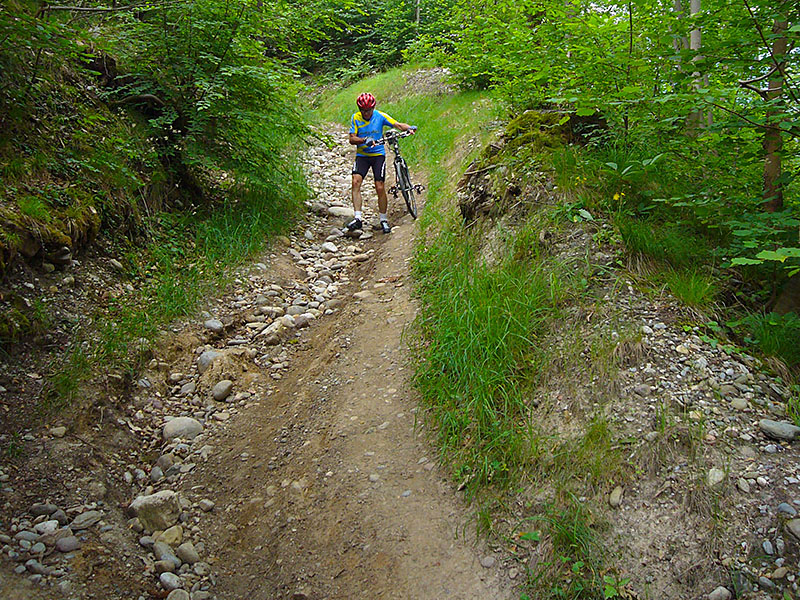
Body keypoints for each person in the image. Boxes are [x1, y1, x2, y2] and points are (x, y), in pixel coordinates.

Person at [346, 92, 416, 234]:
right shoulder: (356, 118)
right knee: (355, 182)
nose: (366, 113)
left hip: (378, 155)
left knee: (379, 186)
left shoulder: (380, 116)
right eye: (363, 110)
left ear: (373, 108)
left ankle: (383, 219)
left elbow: (397, 124)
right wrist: (364, 140)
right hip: (362, 155)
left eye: (368, 110)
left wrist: (409, 128)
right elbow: (351, 138)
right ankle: (358, 218)